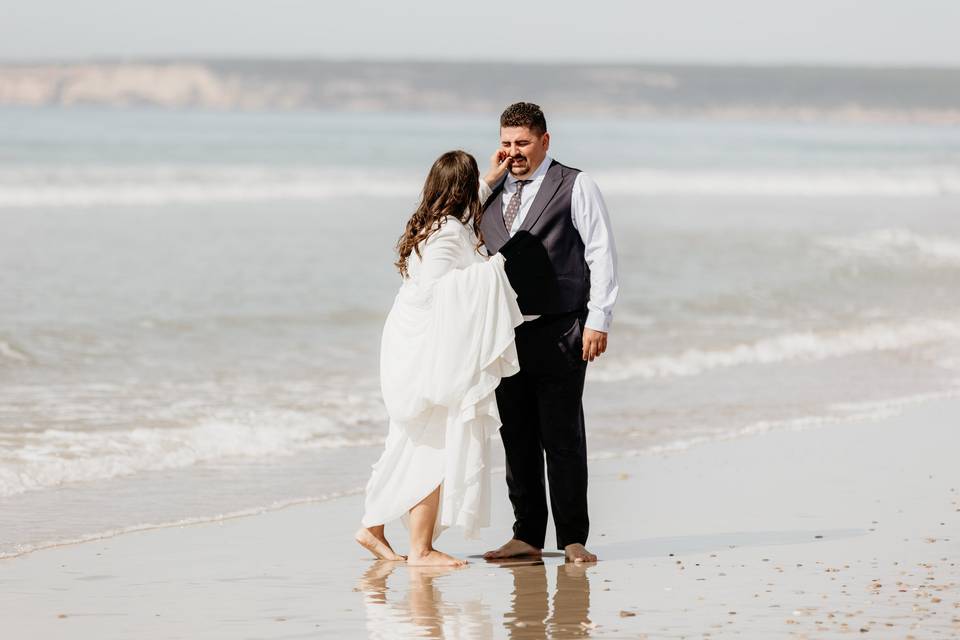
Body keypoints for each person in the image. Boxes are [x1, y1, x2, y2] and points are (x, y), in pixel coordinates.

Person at [356, 149, 520, 567]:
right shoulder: (447, 232)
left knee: (410, 442)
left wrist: (489, 178)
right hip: (426, 352)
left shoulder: (435, 224)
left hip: (415, 343)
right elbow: (437, 290)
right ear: (460, 191)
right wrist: (496, 268)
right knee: (431, 445)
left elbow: (463, 225)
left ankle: (372, 528)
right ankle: (420, 548)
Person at [480, 102, 619, 564]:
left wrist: (599, 319)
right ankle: (526, 536)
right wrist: (487, 180)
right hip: (504, 334)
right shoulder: (488, 194)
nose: (513, 152)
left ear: (545, 140)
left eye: (521, 143)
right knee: (515, 435)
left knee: (561, 436)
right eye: (505, 144)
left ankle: (573, 538)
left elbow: (600, 251)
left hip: (562, 328)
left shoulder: (575, 184)